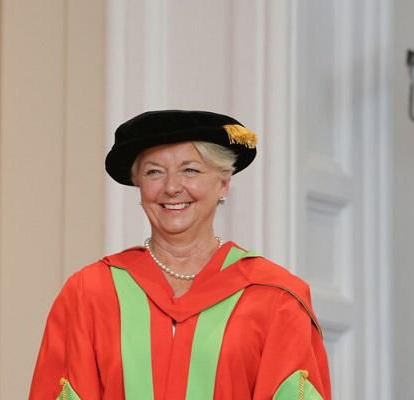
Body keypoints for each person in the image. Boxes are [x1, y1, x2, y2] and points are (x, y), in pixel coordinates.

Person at [29, 110, 331, 399]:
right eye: (154, 172)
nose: (172, 187)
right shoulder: (90, 294)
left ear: (224, 183)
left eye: (191, 170)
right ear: (139, 185)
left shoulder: (274, 297)